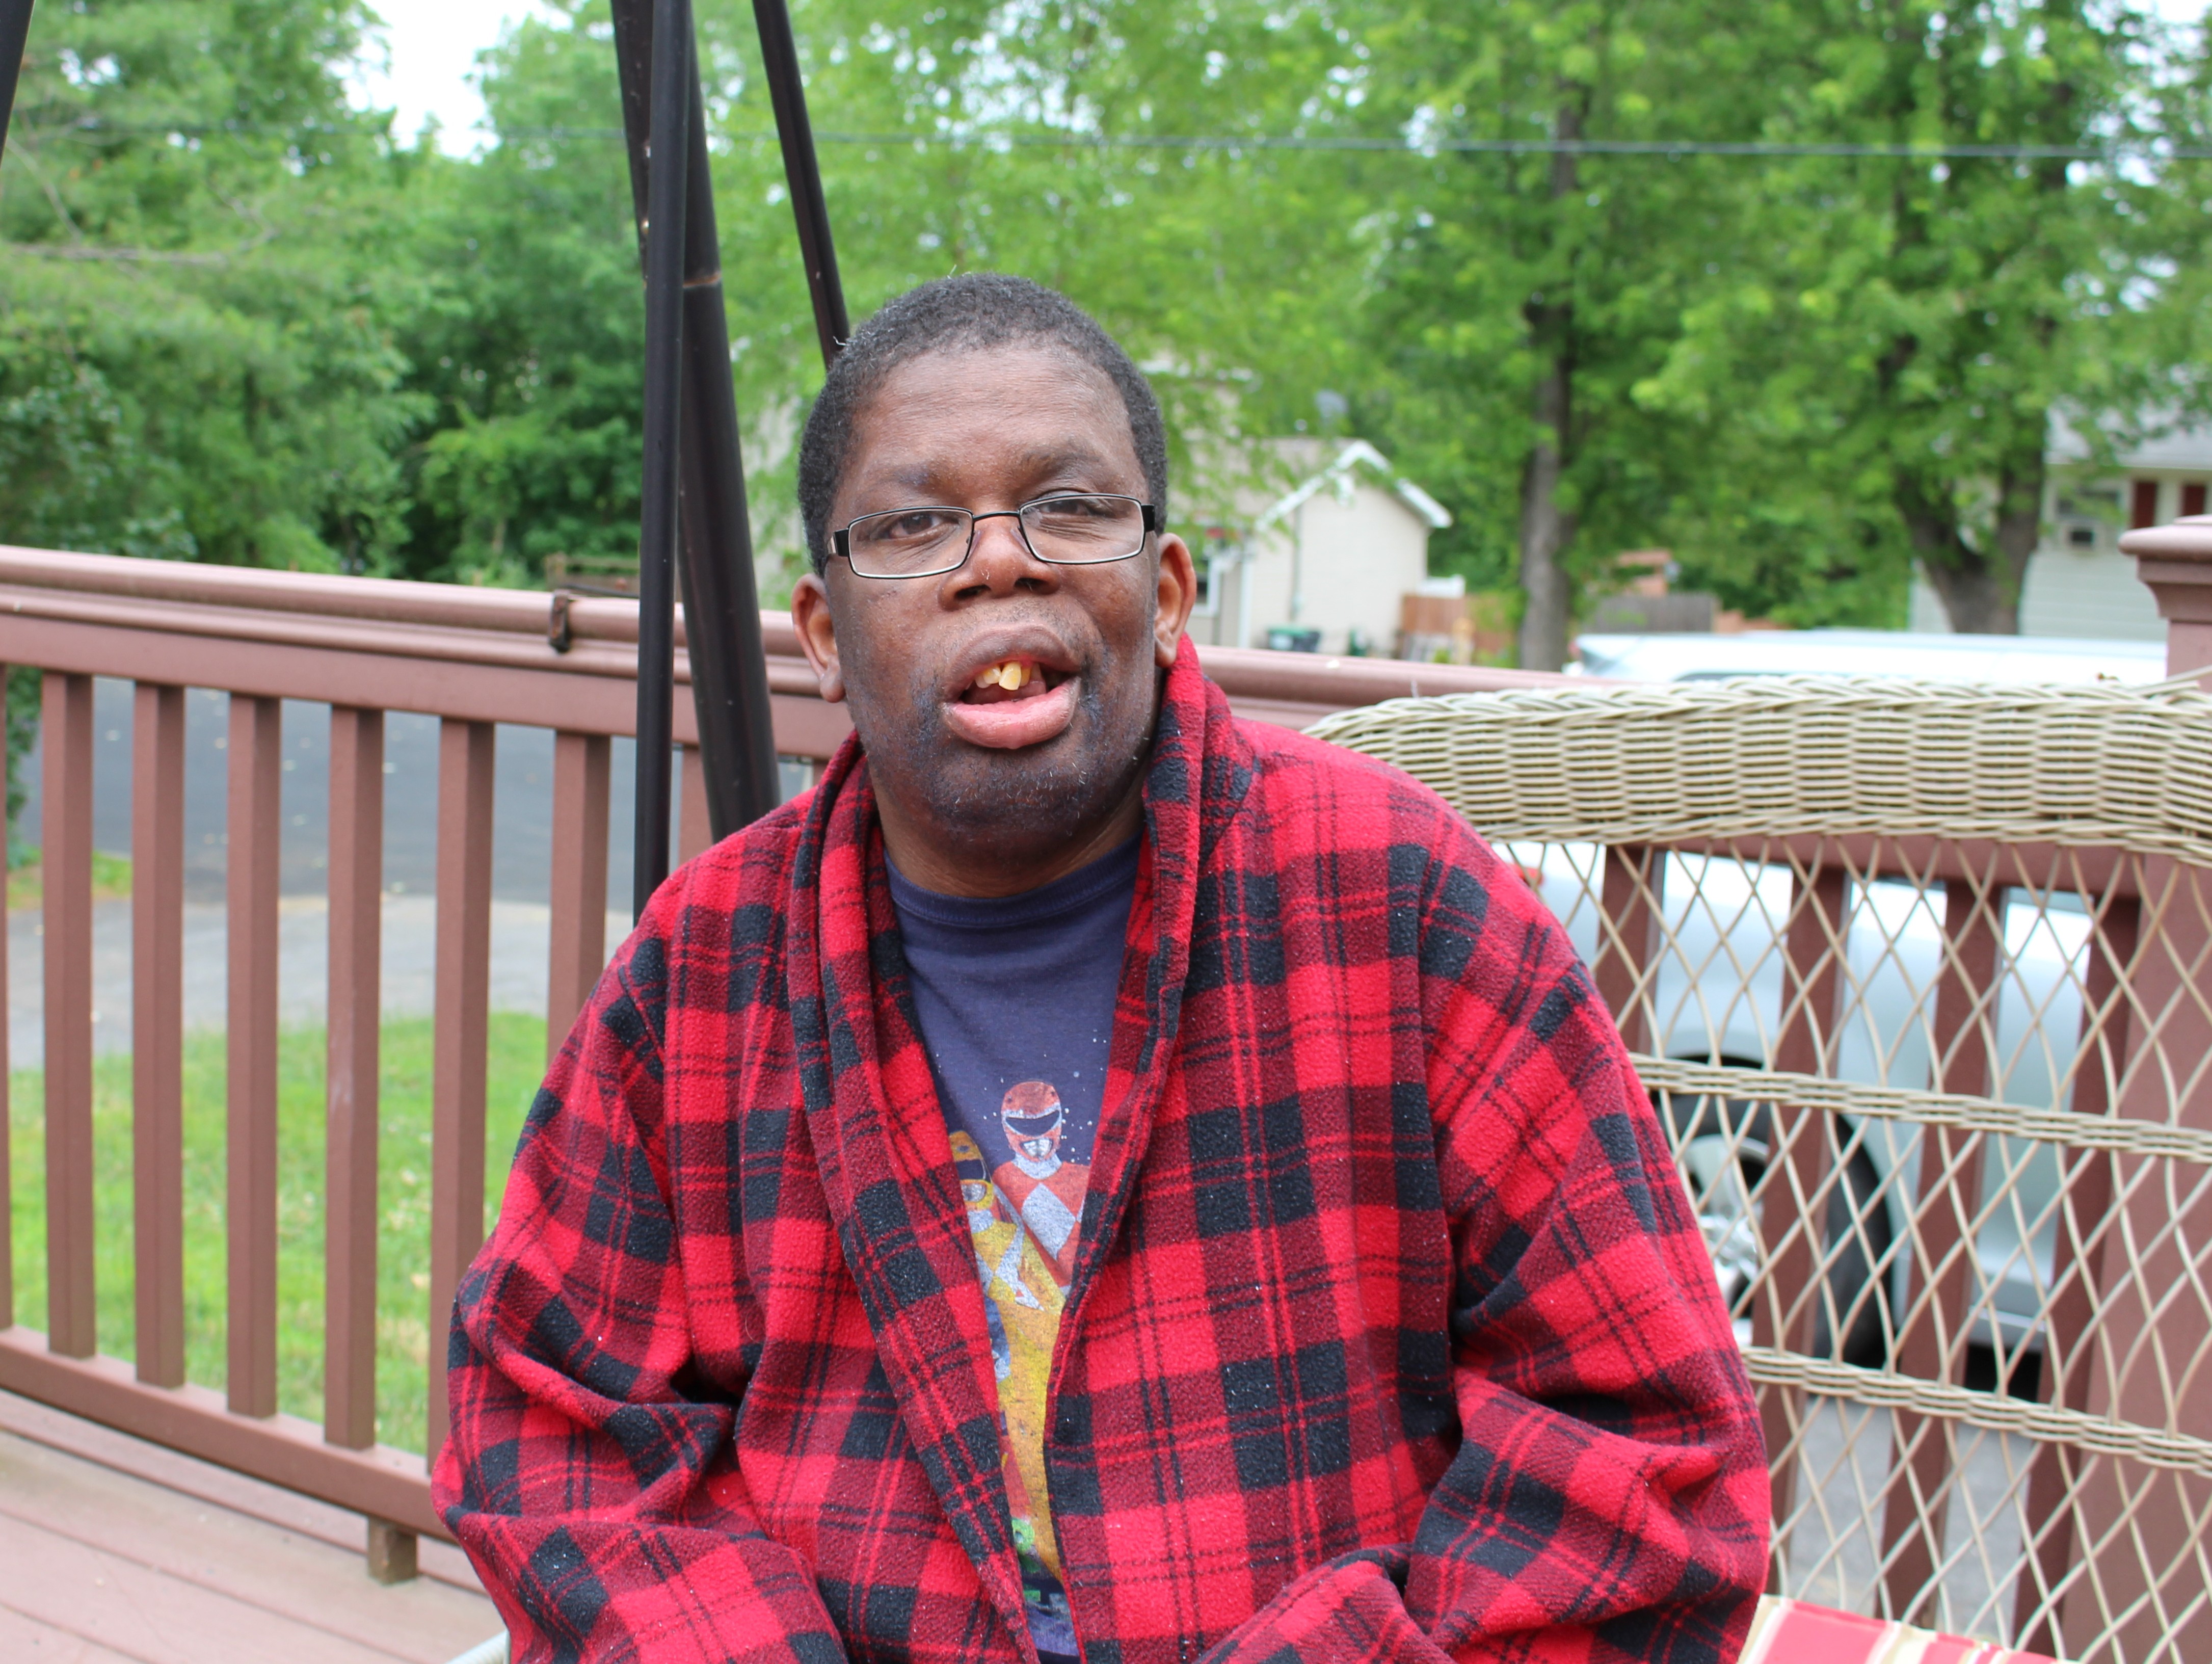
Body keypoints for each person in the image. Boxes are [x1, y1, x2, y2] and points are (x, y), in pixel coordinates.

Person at [434, 273, 1770, 1664]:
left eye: (1069, 506)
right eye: (914, 524)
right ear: (825, 636)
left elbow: (1646, 1449)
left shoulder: (1400, 897)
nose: (997, 563)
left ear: (1168, 590)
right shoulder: (707, 965)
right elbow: (548, 1425)